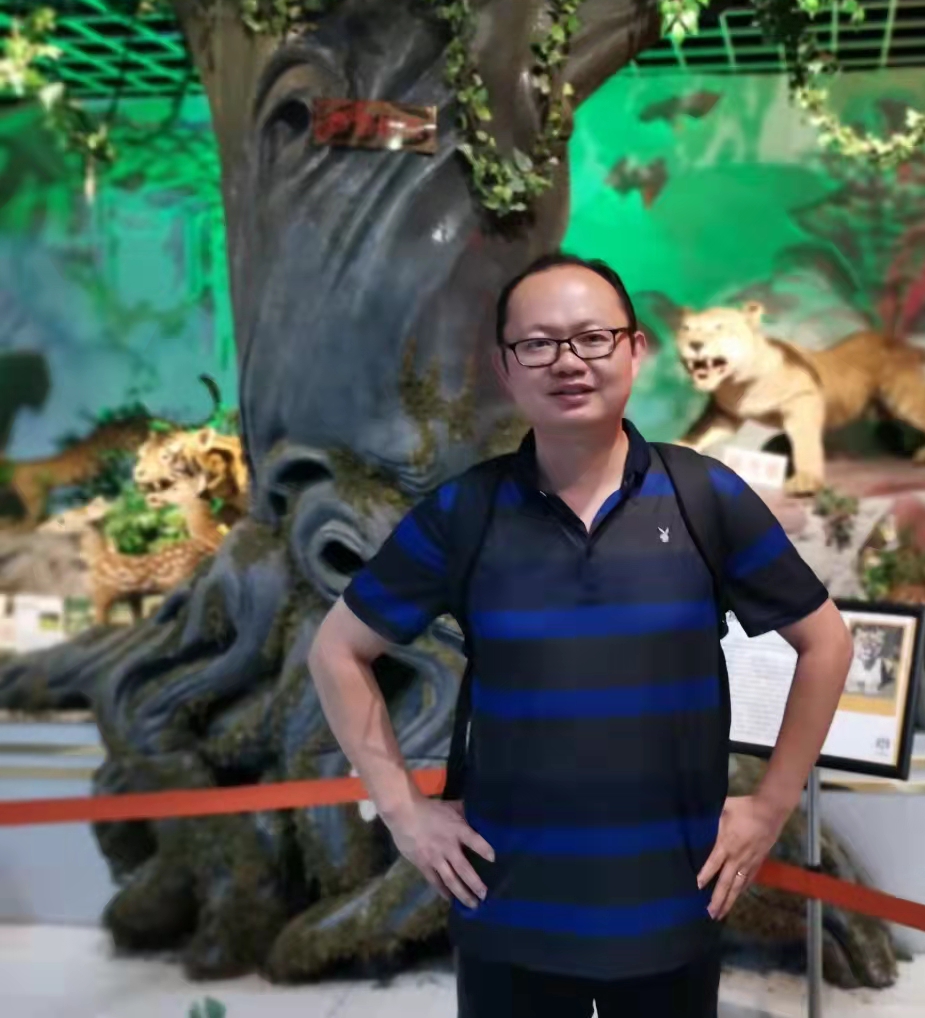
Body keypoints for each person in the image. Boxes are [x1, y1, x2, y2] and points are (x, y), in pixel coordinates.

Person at [307, 252, 853, 1017]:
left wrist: (769, 807)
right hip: (509, 911)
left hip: (671, 909)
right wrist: (402, 811)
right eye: (538, 343)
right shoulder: (466, 512)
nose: (568, 361)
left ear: (635, 350)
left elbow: (827, 643)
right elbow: (337, 650)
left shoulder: (706, 497)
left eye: (593, 337)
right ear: (505, 367)